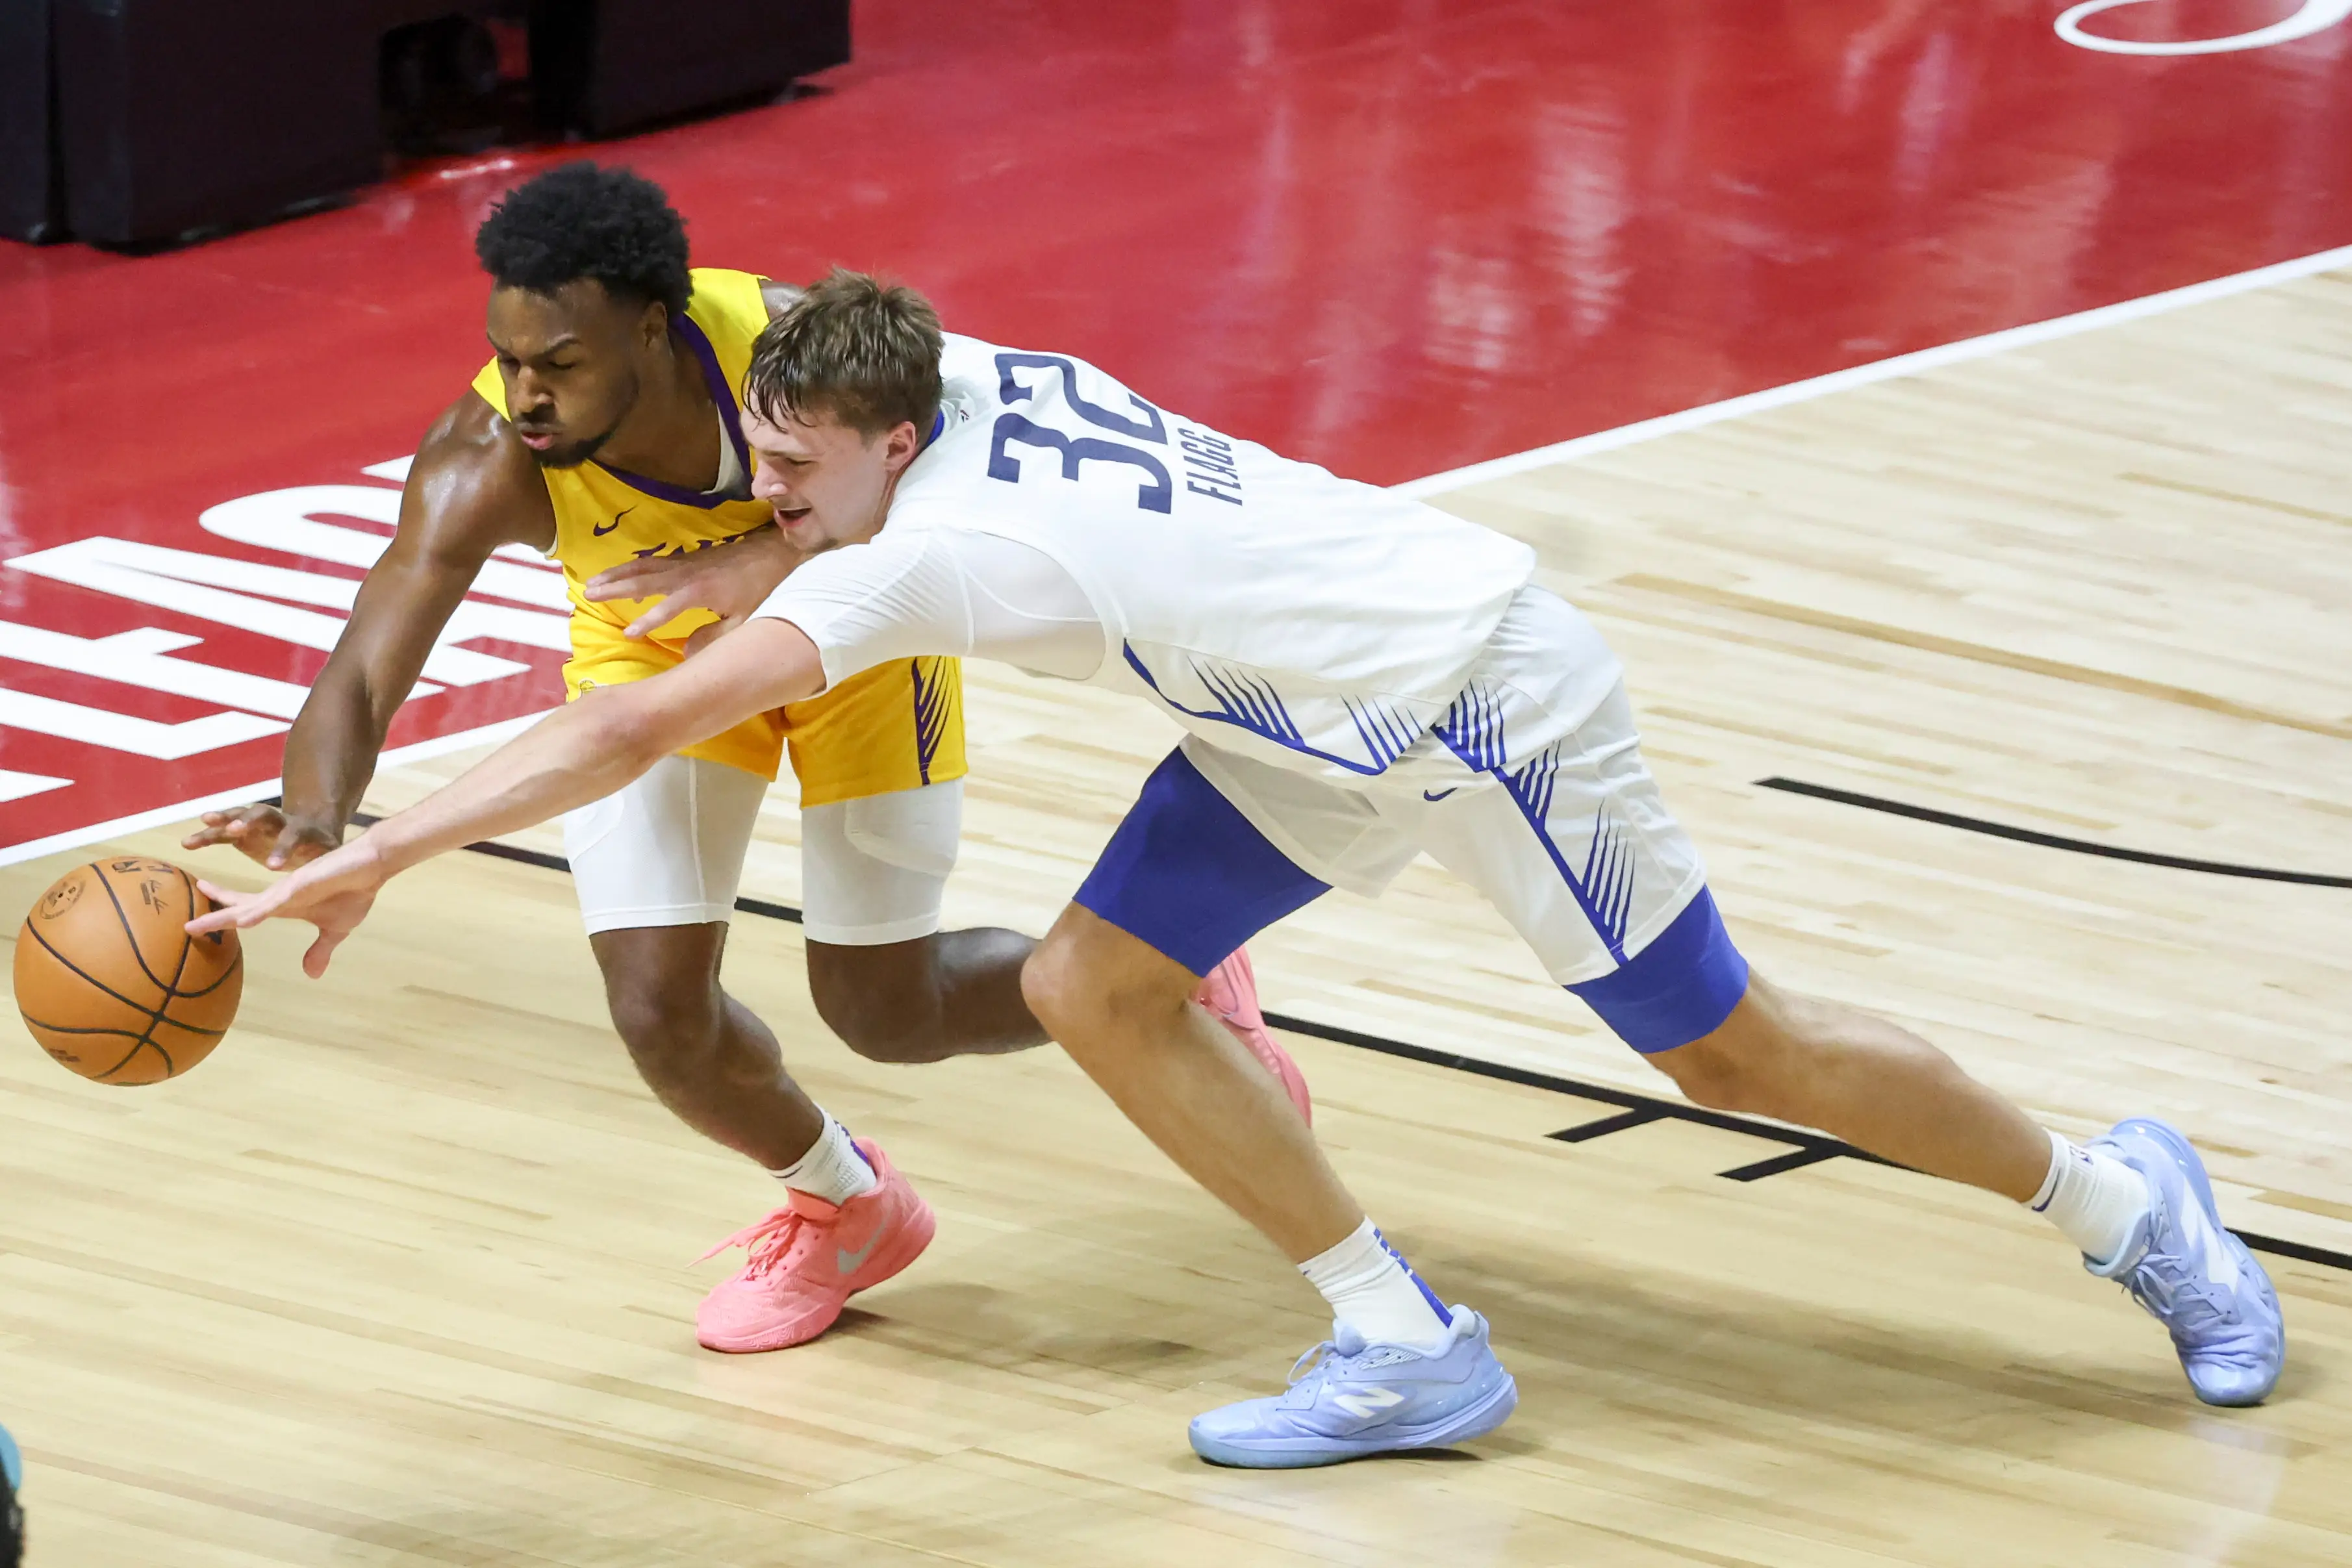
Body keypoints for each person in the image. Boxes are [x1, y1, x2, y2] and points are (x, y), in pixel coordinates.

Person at [195, 270, 2286, 1468]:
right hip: (1288, 714)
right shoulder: (953, 385)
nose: (766, 489)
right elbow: (784, 531)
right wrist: (758, 536)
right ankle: (1399, 1337)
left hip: (1476, 696)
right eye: (760, 451)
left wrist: (357, 850)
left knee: (1733, 1051)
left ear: (891, 451)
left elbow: (626, 724)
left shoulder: (934, 547)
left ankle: (2125, 1205)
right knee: (1090, 980)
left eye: (795, 470)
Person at [184, 171, 1309, 1358]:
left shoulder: (783, 341)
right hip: (653, 651)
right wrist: (314, 820)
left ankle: (1163, 975)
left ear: (654, 331)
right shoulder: (489, 456)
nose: (524, 393)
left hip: (857, 632)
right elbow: (367, 662)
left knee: (886, 1010)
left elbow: (935, 472)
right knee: (657, 1011)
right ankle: (845, 1202)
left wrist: (758, 575)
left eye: (558, 363)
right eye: (506, 358)